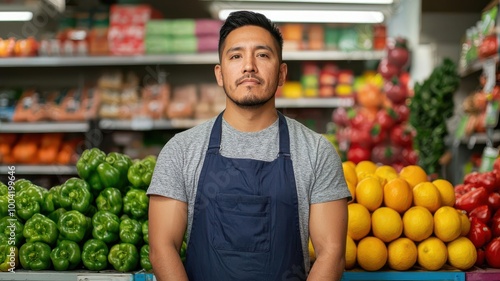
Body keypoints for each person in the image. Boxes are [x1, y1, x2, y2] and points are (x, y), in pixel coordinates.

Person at [147, 10, 351, 281]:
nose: (249, 66)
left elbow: (332, 254)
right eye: (236, 56)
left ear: (281, 73)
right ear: (220, 74)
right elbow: (162, 249)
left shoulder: (316, 152)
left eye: (263, 55)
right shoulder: (181, 150)